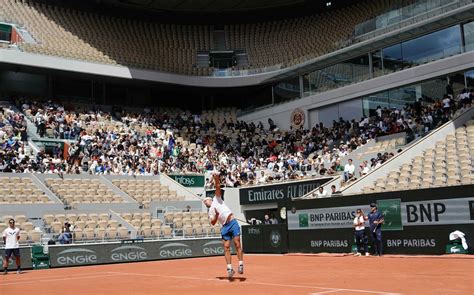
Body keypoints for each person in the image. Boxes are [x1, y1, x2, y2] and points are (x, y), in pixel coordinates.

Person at [203, 174, 244, 279]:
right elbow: (212, 223)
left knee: (237, 244)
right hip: (224, 227)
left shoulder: (217, 199)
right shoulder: (211, 211)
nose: (204, 202)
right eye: (204, 202)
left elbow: (217, 186)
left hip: (232, 221)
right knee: (226, 248)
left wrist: (216, 178)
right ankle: (229, 268)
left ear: (210, 200)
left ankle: (240, 264)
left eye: (205, 200)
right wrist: (216, 216)